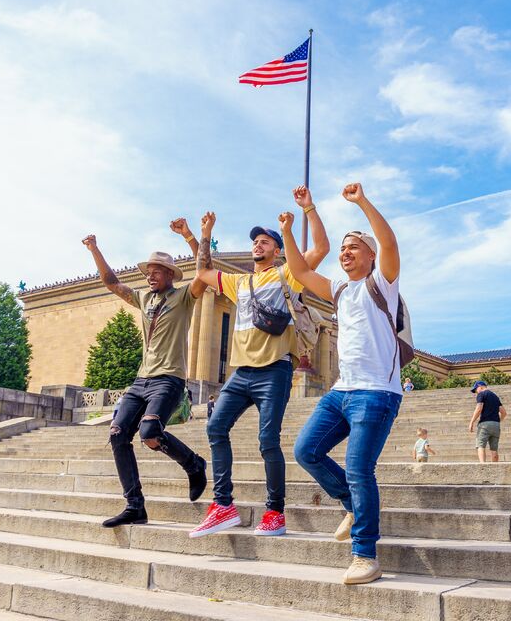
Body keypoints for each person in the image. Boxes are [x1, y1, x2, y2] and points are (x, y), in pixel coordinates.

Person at [188, 187, 330, 539]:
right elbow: (204, 272)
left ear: (278, 250)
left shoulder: (288, 274)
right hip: (241, 372)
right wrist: (203, 235)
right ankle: (223, 505)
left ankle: (275, 513)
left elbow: (322, 249)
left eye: (265, 241)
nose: (258, 245)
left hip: (275, 368)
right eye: (256, 241)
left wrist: (305, 212)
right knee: (215, 428)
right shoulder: (239, 282)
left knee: (268, 440)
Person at [284, 181, 403, 585]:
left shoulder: (382, 282)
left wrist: (362, 202)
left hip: (377, 392)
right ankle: (351, 505)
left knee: (358, 467)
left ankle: (365, 554)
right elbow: (299, 270)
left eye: (354, 247)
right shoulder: (339, 290)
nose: (345, 252)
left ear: (370, 256)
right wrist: (298, 219)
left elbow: (389, 243)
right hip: (341, 391)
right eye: (343, 248)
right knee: (306, 451)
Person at [83, 221, 208, 528]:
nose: (149, 275)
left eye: (156, 271)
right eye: (147, 271)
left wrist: (194, 236)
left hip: (169, 379)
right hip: (141, 381)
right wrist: (94, 249)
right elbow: (112, 283)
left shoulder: (184, 297)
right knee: (117, 435)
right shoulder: (144, 299)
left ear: (170, 275)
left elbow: (204, 269)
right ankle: (135, 506)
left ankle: (194, 464)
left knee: (150, 432)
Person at [469, 380, 506, 463]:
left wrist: (472, 422)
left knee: (480, 446)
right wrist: (498, 421)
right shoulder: (495, 396)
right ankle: (494, 468)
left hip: (484, 424)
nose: (476, 392)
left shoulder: (481, 394)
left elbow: (479, 408)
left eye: (476, 390)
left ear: (480, 386)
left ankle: (483, 467)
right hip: (496, 425)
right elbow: (503, 412)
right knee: (494, 449)